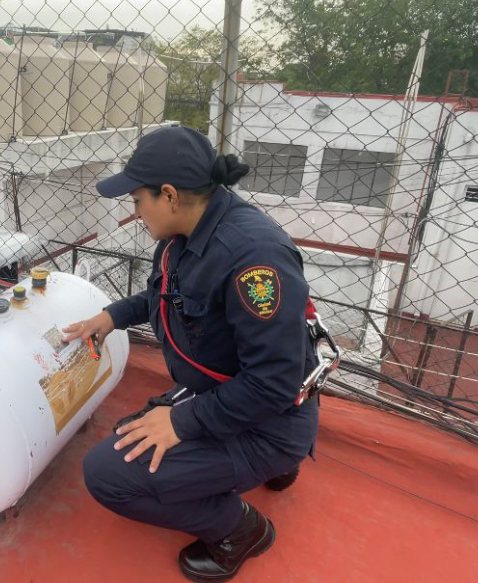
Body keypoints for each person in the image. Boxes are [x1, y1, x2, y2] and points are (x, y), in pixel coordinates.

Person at [62, 126, 319, 582]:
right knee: (131, 432)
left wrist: (182, 422)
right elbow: (165, 298)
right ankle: (264, 468)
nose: (135, 211)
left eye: (137, 199)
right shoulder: (185, 235)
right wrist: (112, 316)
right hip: (225, 392)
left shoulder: (252, 259)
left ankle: (241, 529)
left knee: (107, 473)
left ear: (169, 195)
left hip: (270, 419)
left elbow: (273, 383)